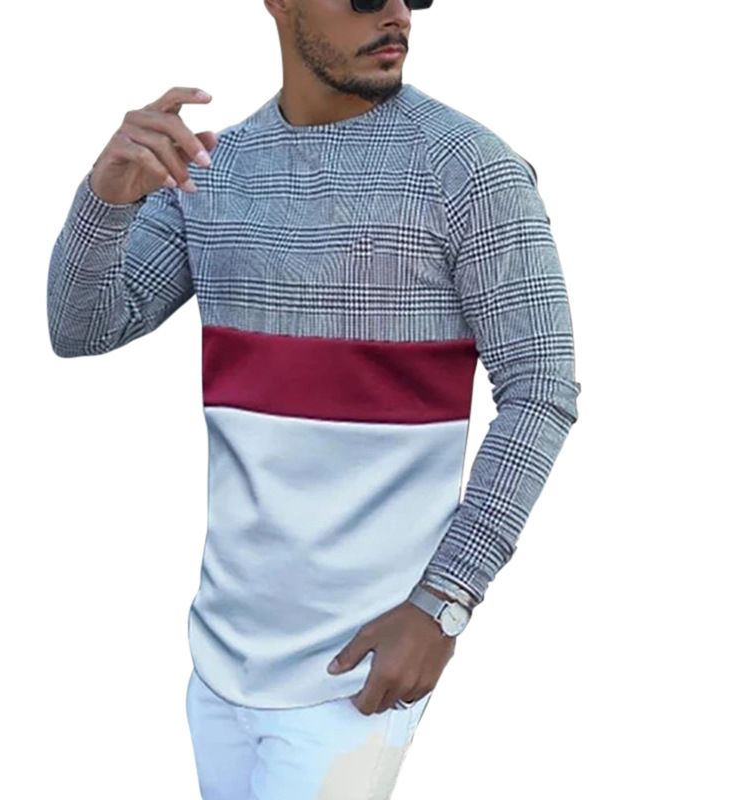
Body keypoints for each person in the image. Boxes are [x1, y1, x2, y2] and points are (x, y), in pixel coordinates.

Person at [46, 0, 582, 797]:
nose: (395, 13)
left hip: (357, 672)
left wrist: (445, 603)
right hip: (220, 659)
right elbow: (84, 327)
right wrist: (106, 199)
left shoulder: (471, 171)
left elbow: (541, 388)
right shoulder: (213, 170)